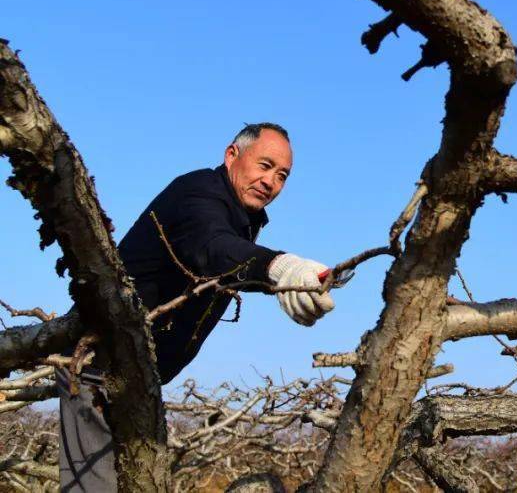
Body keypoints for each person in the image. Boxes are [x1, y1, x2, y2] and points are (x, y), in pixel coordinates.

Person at [58, 123, 335, 491]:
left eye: (282, 175)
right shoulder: (197, 193)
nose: (271, 182)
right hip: (97, 367)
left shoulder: (241, 218)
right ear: (232, 155)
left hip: (141, 378)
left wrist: (301, 276)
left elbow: (224, 264)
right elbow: (211, 248)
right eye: (264, 166)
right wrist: (278, 266)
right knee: (90, 488)